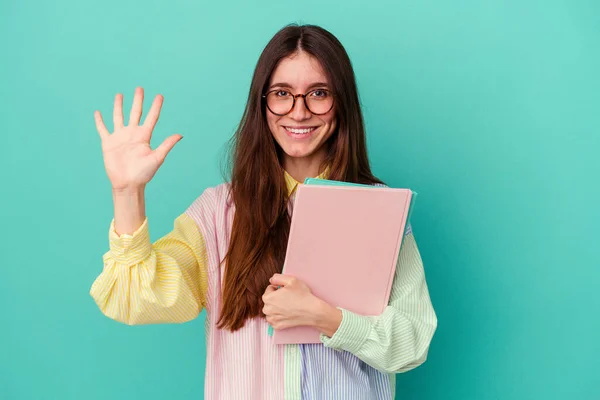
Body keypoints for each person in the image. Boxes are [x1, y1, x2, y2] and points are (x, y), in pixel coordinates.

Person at [90, 24, 437, 400]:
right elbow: (134, 298)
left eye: (318, 93)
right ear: (262, 103)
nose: (299, 112)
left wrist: (325, 317)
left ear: (342, 103)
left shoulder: (380, 209)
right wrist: (127, 192)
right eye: (282, 94)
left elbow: (413, 341)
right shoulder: (218, 213)